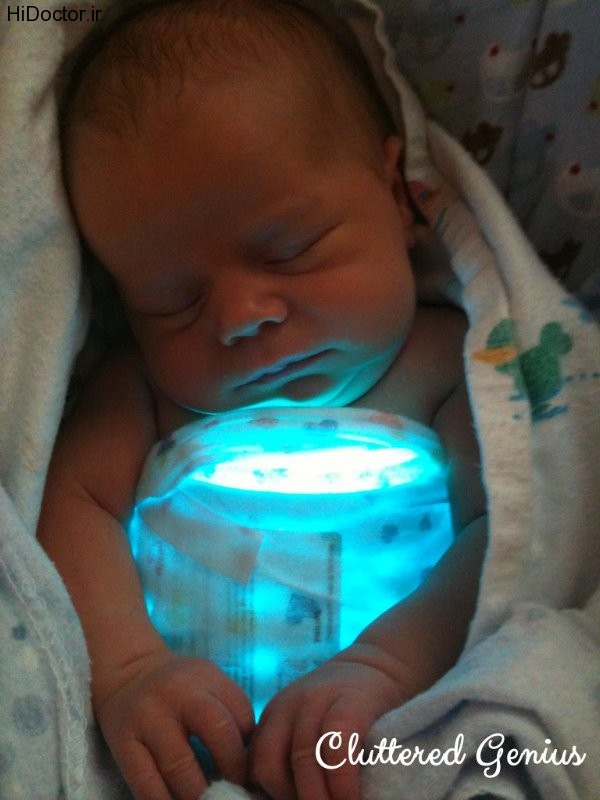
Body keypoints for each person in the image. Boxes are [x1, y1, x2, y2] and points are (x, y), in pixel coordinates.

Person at [39, 1, 487, 799]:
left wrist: (386, 664)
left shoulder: (452, 364)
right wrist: (129, 669)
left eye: (289, 250)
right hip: (187, 753)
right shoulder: (145, 391)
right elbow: (73, 507)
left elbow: (507, 531)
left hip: (402, 726)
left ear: (397, 195)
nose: (241, 316)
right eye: (173, 301)